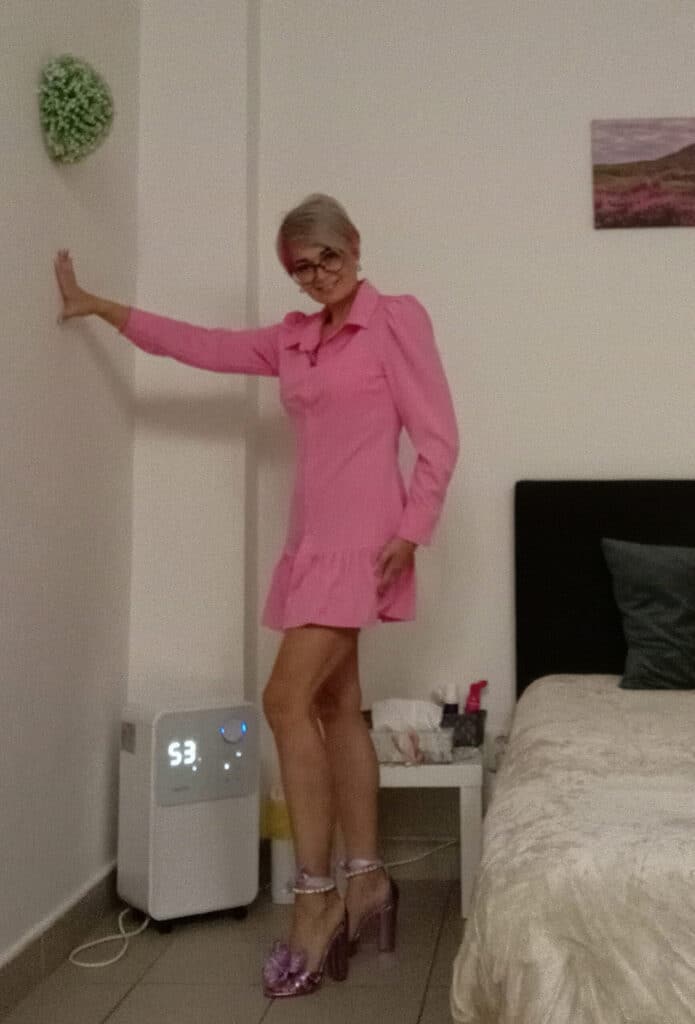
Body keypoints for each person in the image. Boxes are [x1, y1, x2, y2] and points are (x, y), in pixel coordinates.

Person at [53, 193, 460, 999]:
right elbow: (204, 346)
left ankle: (314, 899)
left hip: (365, 545)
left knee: (283, 700)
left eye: (326, 257)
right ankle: (368, 880)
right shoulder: (294, 339)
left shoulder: (395, 320)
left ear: (353, 245)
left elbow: (438, 437)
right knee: (335, 706)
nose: (316, 276)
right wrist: (102, 307)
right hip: (310, 544)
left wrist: (411, 531)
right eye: (300, 268)